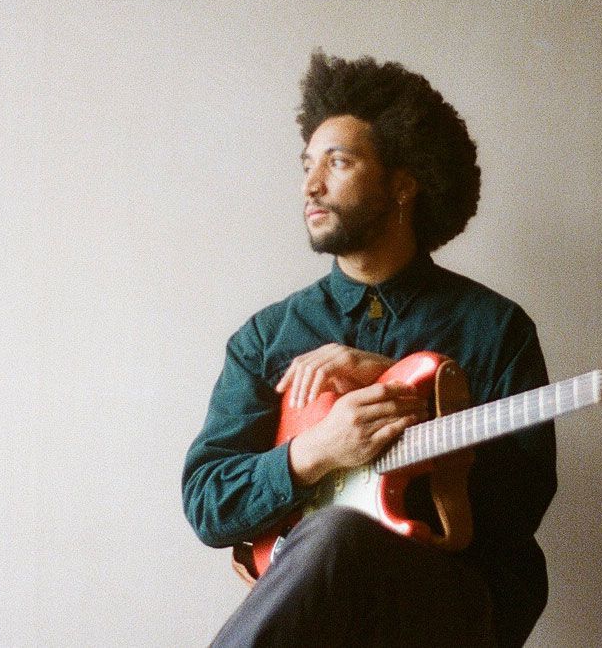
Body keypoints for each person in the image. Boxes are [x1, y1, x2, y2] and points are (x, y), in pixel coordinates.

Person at [182, 51, 557, 647]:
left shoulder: (493, 329)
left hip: (450, 607)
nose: (311, 184)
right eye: (308, 164)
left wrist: (419, 403)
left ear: (402, 184)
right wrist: (313, 453)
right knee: (332, 539)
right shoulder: (268, 337)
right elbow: (207, 501)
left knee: (337, 535)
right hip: (324, 621)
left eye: (339, 161)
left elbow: (517, 511)